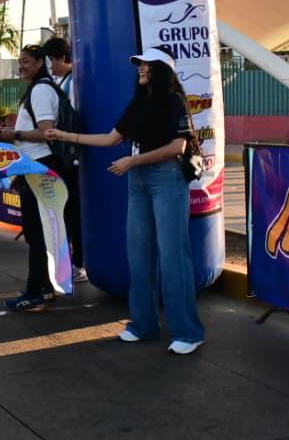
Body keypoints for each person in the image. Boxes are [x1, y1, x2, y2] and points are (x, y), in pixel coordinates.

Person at [46, 46, 204, 355]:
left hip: (166, 179)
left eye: (147, 64)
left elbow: (178, 147)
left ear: (162, 69)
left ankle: (188, 331)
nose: (140, 69)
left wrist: (134, 162)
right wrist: (65, 136)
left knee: (174, 258)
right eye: (139, 64)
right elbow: (110, 139)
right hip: (139, 181)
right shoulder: (138, 102)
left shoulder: (173, 101)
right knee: (139, 254)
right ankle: (143, 325)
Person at [0, 44, 65, 312]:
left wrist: (11, 135)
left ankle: (35, 293)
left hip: (40, 165)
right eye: (20, 62)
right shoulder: (40, 89)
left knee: (36, 233)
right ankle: (44, 288)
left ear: (40, 62)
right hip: (34, 166)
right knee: (39, 232)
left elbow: (48, 133)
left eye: (26, 61)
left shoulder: (41, 90)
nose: (21, 66)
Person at [41, 36, 86, 283]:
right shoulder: (66, 82)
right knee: (70, 211)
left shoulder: (73, 84)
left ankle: (79, 261)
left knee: (73, 211)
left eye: (50, 62)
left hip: (72, 157)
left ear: (58, 58)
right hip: (70, 156)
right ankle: (75, 259)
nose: (51, 68)